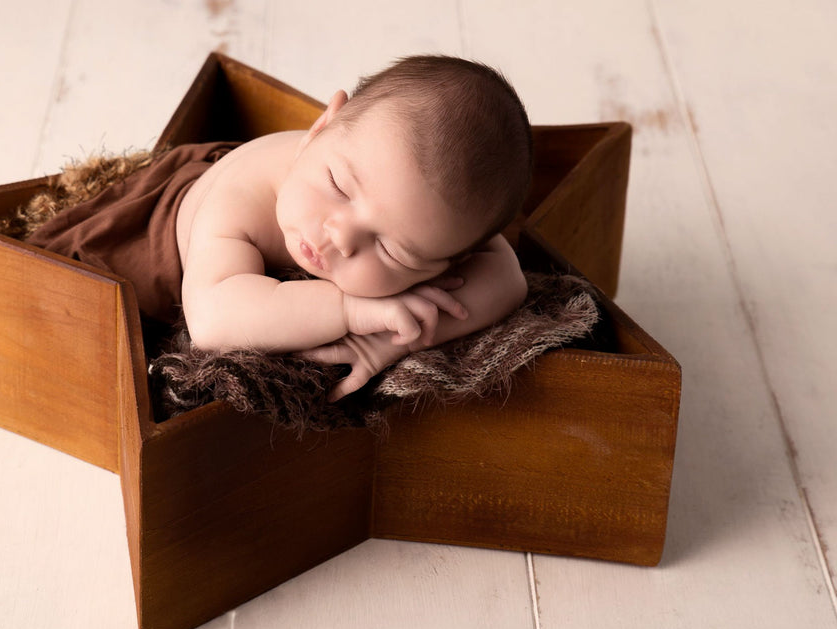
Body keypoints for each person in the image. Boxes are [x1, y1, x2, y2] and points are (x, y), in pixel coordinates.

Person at [27, 55, 532, 402]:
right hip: (163, 241)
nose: (339, 237)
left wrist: (391, 343)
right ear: (321, 126)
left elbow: (509, 281)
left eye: (390, 249)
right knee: (78, 293)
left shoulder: (428, 213)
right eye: (337, 185)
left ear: (453, 259)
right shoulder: (244, 201)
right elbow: (212, 320)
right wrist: (351, 310)